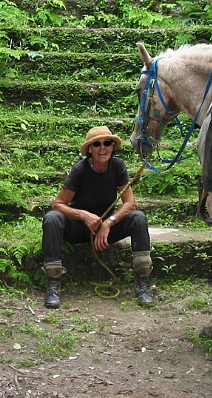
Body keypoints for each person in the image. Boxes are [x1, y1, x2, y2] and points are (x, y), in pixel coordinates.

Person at [41, 126, 154, 308]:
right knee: (52, 218)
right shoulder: (80, 169)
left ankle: (143, 280)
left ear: (113, 147)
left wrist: (108, 223)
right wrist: (83, 215)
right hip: (80, 227)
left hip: (105, 229)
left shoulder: (118, 166)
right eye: (97, 144)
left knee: (138, 218)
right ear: (90, 150)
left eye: (107, 143)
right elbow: (58, 204)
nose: (103, 148)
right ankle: (53, 282)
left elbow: (130, 202)